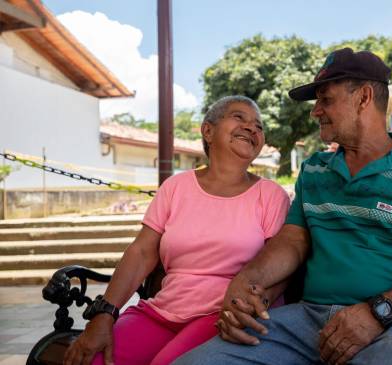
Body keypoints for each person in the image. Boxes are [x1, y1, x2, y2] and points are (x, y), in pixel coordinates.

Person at [174, 48, 392, 365]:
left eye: (326, 100)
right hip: (307, 322)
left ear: (363, 97)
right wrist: (248, 280)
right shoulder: (315, 169)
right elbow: (292, 240)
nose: (315, 111)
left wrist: (378, 313)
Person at [63, 96, 290, 365]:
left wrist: (250, 307)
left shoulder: (271, 196)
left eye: (259, 126)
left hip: (225, 315)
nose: (252, 128)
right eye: (239, 117)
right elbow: (142, 252)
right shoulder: (175, 188)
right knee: (93, 360)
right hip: (163, 311)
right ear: (208, 130)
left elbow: (281, 264)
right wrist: (104, 314)